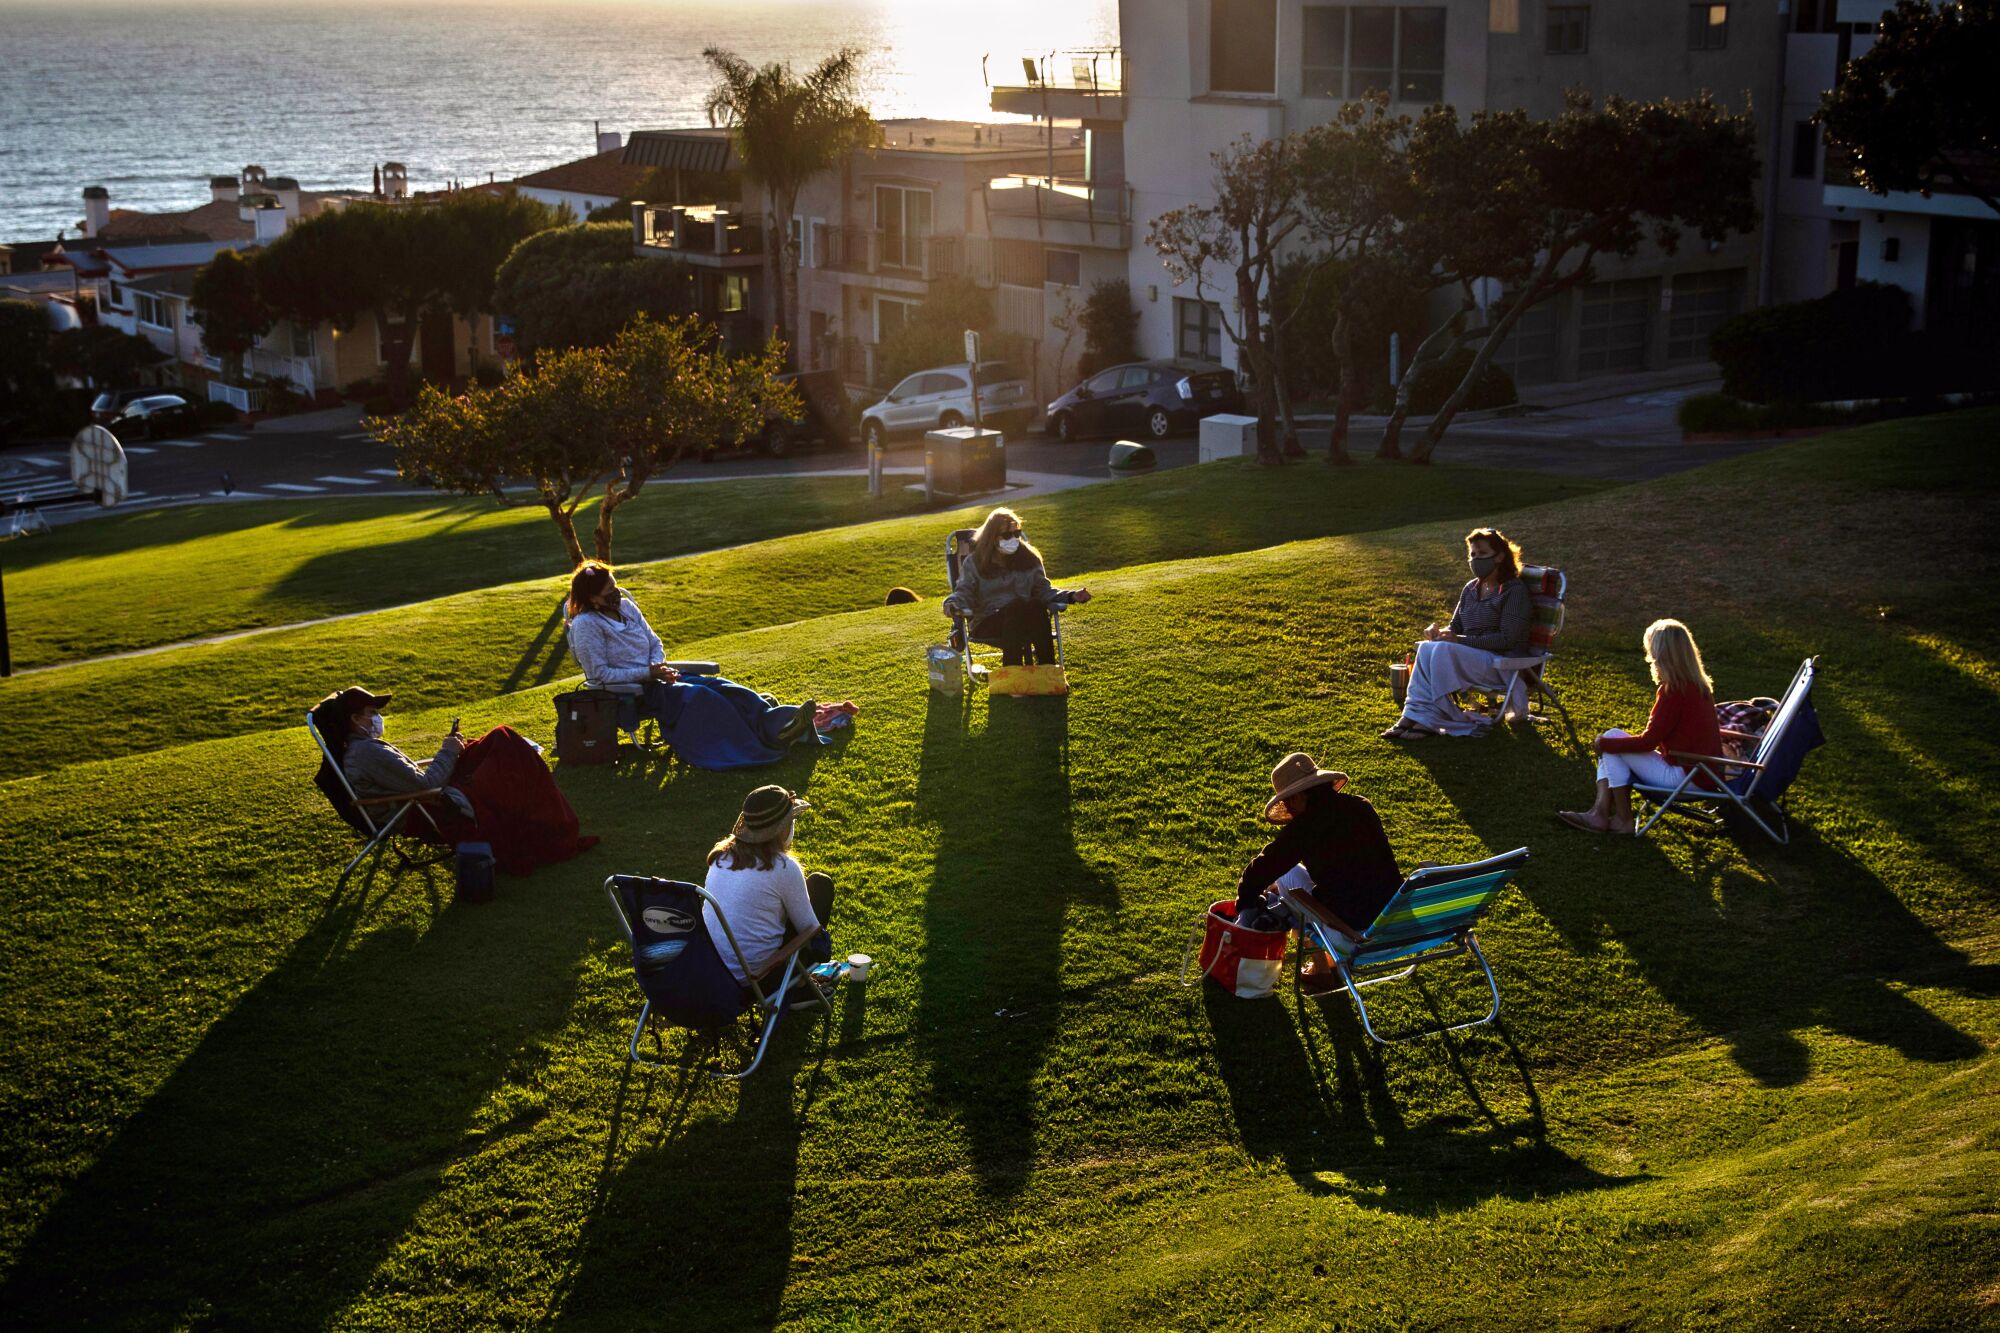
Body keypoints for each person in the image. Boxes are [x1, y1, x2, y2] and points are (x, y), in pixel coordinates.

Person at [566, 561, 842, 769]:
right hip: (634, 690)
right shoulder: (587, 625)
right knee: (702, 696)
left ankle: (778, 723)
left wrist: (658, 666)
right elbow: (599, 675)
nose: (616, 594)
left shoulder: (626, 607)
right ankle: (757, 744)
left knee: (725, 687)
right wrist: (648, 672)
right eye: (608, 592)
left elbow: (654, 641)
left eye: (615, 587)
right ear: (592, 599)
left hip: (662, 676)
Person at [318, 685, 597, 876]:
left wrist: (454, 749)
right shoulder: (367, 752)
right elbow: (427, 785)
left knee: (501, 741)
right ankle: (554, 827)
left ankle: (548, 815)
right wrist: (449, 750)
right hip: (430, 807)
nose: (378, 718)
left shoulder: (364, 748)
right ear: (355, 719)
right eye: (372, 713)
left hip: (429, 796)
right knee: (508, 749)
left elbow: (414, 777)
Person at [1235, 752, 1404, 994]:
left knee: (1285, 877)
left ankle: (1321, 969)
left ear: (1300, 795)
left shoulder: (1306, 827)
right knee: (1335, 886)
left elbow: (1260, 871)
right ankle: (1329, 965)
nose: (1289, 809)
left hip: (1356, 936)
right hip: (1395, 922)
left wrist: (1245, 904)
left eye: (1289, 802)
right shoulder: (1361, 807)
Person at [1560, 618, 1726, 835]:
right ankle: (1601, 813)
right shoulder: (1698, 687)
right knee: (1614, 742)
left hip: (1687, 777)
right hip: (1702, 773)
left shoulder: (1674, 691)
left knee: (1612, 741)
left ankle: (1619, 818)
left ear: (1661, 656)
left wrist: (1603, 743)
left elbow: (1648, 742)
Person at [1381, 528, 1534, 740]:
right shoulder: (1470, 589)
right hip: (1470, 660)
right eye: (1472, 555)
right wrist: (1439, 632)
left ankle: (1433, 718)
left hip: (1501, 664)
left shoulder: (1513, 591)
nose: (1475, 560)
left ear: (1499, 556)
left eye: (1482, 554)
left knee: (1443, 650)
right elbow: (1455, 627)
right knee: (1427, 647)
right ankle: (1411, 714)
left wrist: (1458, 640)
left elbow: (1507, 639)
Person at [702, 784, 837, 1008]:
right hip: (759, 978)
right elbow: (810, 928)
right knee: (820, 886)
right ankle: (797, 987)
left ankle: (800, 985)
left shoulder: (720, 858)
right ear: (783, 829)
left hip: (714, 970)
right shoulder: (783, 867)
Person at [943, 507, 1092, 666]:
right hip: (988, 620)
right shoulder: (975, 563)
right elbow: (964, 591)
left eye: (1017, 534)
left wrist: (1071, 596)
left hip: (1025, 617)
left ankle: (1048, 671)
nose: (1013, 539)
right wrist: (952, 603)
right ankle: (1013, 672)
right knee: (1018, 606)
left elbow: (1043, 590)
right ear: (992, 538)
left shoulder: (1029, 558)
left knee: (1034, 605)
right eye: (1007, 535)